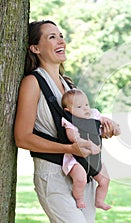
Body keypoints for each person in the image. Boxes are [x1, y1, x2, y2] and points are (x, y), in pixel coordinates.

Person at [14, 20, 115, 223]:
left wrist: (100, 128)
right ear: (35, 48)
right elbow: (22, 138)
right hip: (53, 175)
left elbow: (77, 125)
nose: (61, 40)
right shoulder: (33, 82)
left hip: (83, 174)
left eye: (60, 35)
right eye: (52, 37)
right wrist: (70, 148)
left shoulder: (67, 84)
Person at [61, 89, 120, 210]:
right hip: (77, 160)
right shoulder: (69, 121)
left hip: (94, 160)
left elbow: (108, 123)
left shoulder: (94, 115)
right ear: (68, 110)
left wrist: (115, 128)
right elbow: (73, 137)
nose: (85, 108)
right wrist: (88, 145)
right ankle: (79, 199)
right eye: (79, 106)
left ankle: (99, 201)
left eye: (86, 104)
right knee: (80, 179)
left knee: (105, 179)